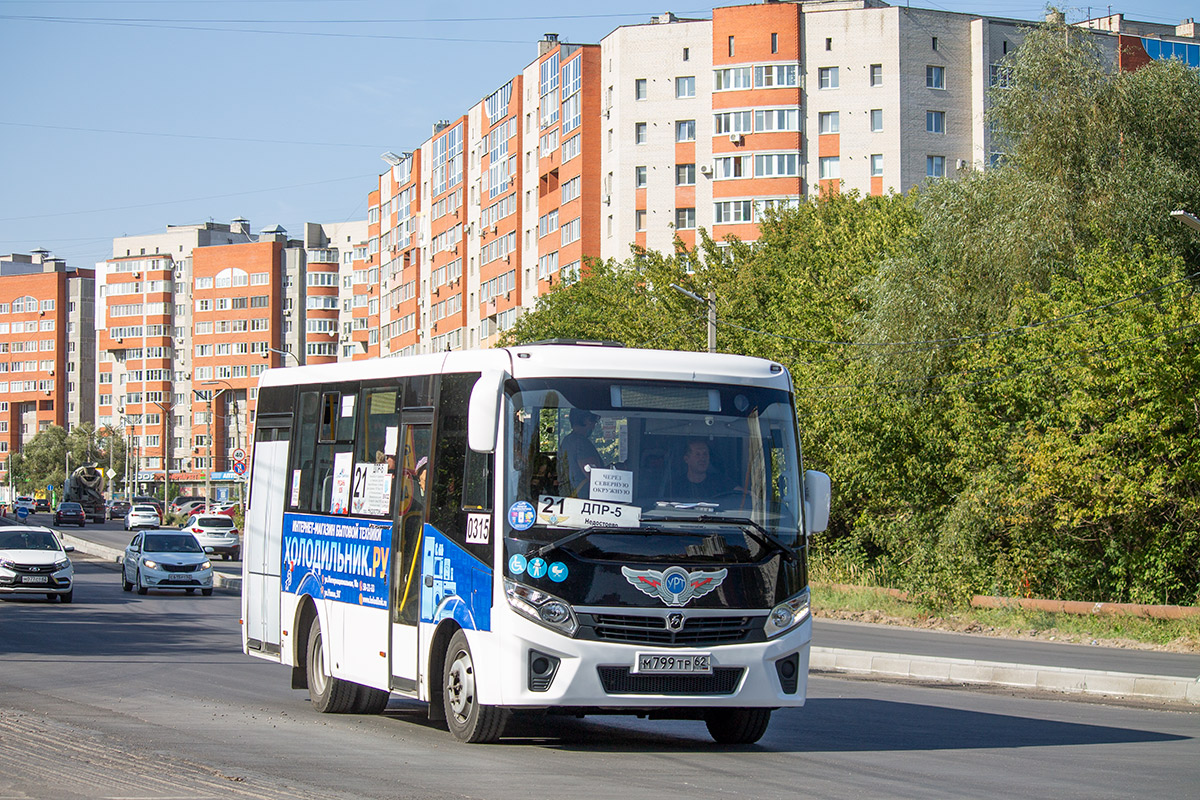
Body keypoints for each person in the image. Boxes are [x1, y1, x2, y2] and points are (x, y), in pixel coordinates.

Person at [559, 408, 604, 496]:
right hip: (584, 497)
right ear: (587, 420)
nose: (594, 426)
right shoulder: (581, 443)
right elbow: (595, 477)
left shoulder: (567, 440)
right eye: (594, 421)